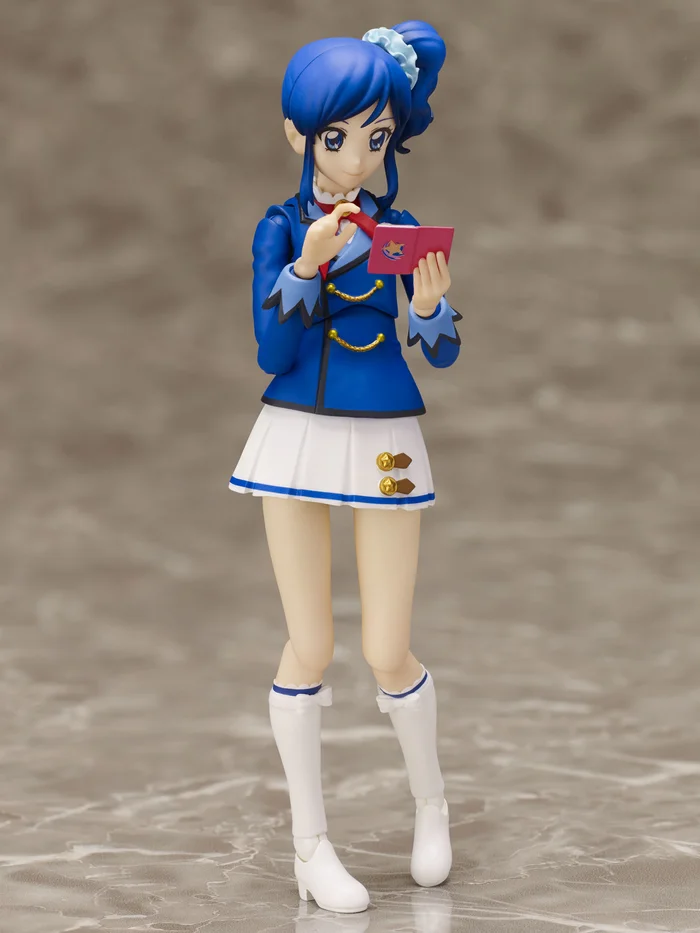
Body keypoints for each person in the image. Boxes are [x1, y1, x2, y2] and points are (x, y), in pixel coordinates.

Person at [229, 21, 461, 914]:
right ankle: (309, 845)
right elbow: (270, 348)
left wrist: (431, 308)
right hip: (297, 431)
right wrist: (304, 265)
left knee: (386, 645)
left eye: (377, 137)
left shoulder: (400, 229)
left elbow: (439, 350)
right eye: (338, 138)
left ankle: (431, 806)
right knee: (312, 643)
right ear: (299, 134)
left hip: (385, 429)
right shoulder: (281, 226)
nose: (359, 158)